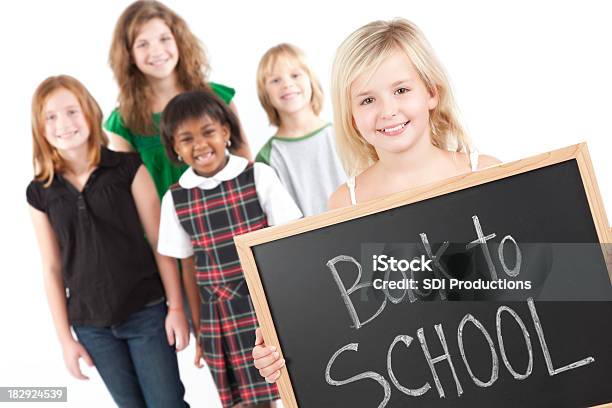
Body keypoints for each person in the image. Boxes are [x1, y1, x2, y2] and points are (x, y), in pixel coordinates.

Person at [252, 18, 500, 383]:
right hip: (413, 382)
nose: (387, 111)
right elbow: (344, 318)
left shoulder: (487, 175)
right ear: (351, 117)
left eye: (401, 90)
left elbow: (537, 279)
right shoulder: (344, 205)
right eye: (367, 99)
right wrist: (281, 346)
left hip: (500, 373)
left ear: (431, 92)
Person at [26, 75, 189, 407]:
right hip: (92, 327)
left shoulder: (127, 168)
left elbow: (161, 241)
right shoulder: (40, 192)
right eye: (51, 117)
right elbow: (52, 269)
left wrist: (175, 307)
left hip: (146, 312)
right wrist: (65, 340)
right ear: (41, 129)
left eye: (72, 111)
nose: (64, 124)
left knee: (167, 404)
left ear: (89, 113)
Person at [157, 90, 302, 407]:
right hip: (219, 317)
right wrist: (201, 334)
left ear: (225, 131)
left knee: (291, 389)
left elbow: (288, 242)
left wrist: (293, 308)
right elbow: (187, 269)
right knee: (246, 401)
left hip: (265, 303)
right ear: (175, 148)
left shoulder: (257, 176)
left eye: (208, 132)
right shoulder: (176, 198)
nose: (199, 145)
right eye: (186, 138)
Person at [106, 0, 251, 199]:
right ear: (128, 54)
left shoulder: (216, 97)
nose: (156, 51)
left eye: (164, 38)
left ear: (179, 41)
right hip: (165, 227)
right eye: (143, 44)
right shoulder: (124, 122)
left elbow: (245, 162)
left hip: (229, 214)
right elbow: (130, 193)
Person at [255, 43, 345, 216]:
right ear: (265, 94)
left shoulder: (343, 134)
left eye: (295, 75)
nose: (287, 84)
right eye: (275, 80)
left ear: (312, 81)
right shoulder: (267, 157)